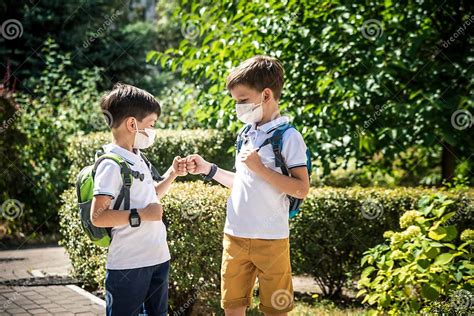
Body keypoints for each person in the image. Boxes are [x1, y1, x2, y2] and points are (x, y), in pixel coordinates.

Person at [186, 55, 310, 316]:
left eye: (242, 100)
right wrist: (208, 169)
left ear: (266, 95)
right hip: (235, 235)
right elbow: (243, 182)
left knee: (275, 309)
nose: (238, 107)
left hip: (272, 239)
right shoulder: (246, 134)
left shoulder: (289, 137)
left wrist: (261, 168)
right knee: (232, 307)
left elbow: (301, 189)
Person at [90, 83, 187, 316]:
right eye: (151, 125)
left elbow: (150, 196)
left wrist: (172, 174)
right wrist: (141, 215)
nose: (153, 131)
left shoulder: (136, 156)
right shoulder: (111, 164)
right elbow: (98, 217)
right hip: (128, 266)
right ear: (132, 124)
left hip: (158, 258)